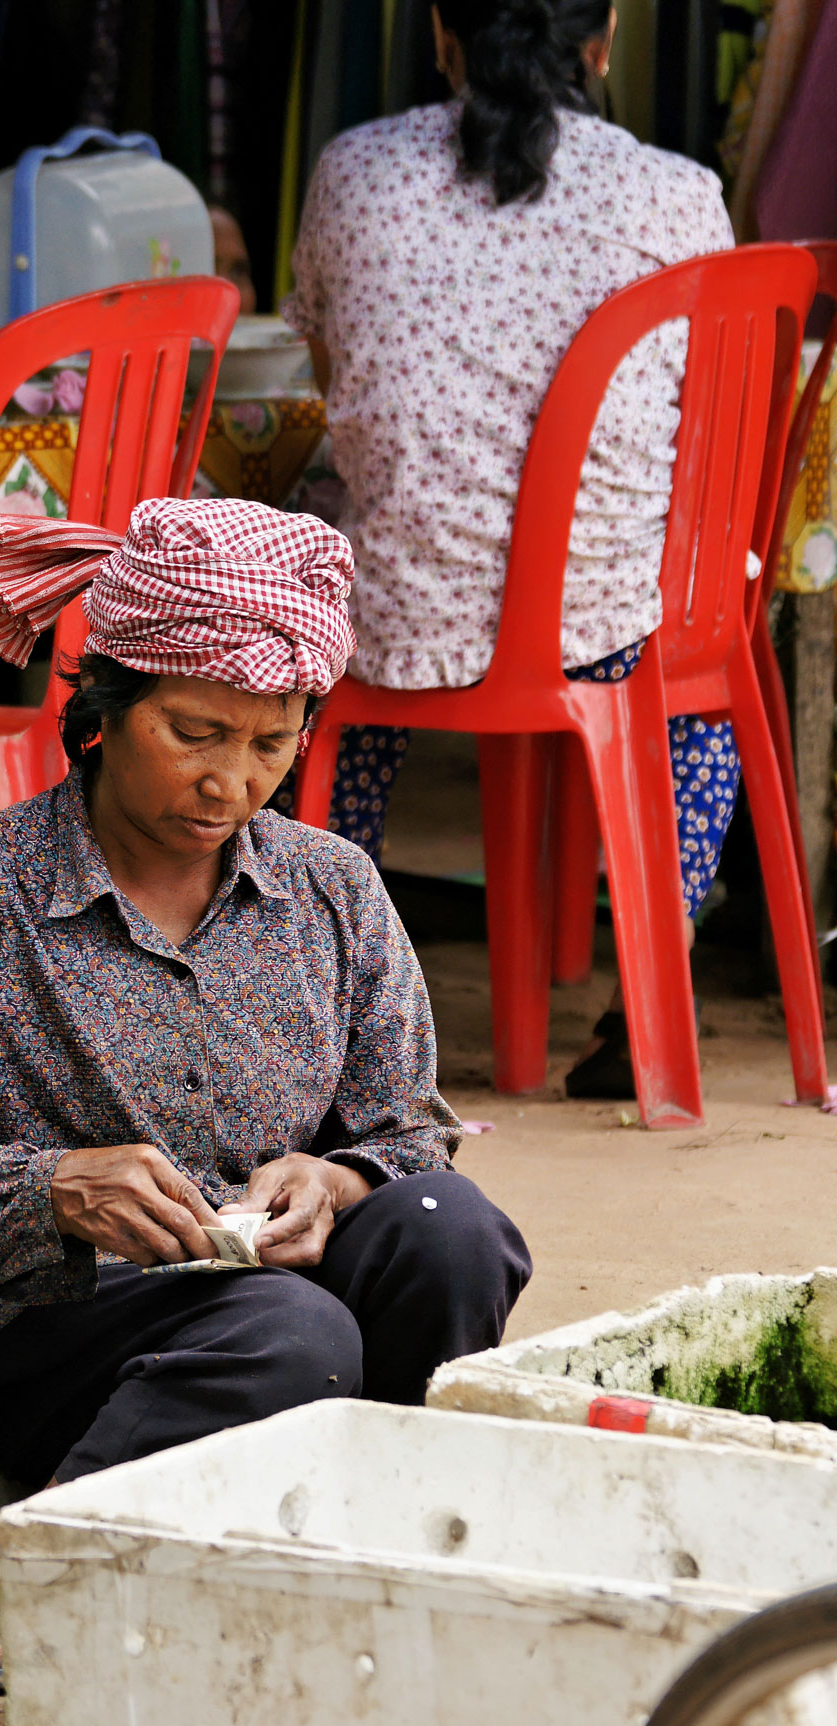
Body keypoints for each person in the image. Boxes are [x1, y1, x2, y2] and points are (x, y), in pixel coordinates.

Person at [0, 497, 532, 1682]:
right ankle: (26, 1553)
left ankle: (377, 1529)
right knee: (292, 1332)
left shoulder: (330, 888)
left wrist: (337, 1179)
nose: (228, 781)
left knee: (451, 1234)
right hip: (59, 1341)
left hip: (296, 1315)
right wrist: (49, 1191)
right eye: (193, 732)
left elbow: (409, 1130)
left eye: (269, 743)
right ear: (100, 709)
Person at [285, 0, 740, 1097]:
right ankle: (650, 993)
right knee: (701, 713)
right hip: (604, 626)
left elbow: (324, 348)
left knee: (321, 651)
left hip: (396, 610)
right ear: (606, 36)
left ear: (440, 31)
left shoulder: (352, 171)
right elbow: (702, 406)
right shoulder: (677, 194)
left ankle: (318, 994)